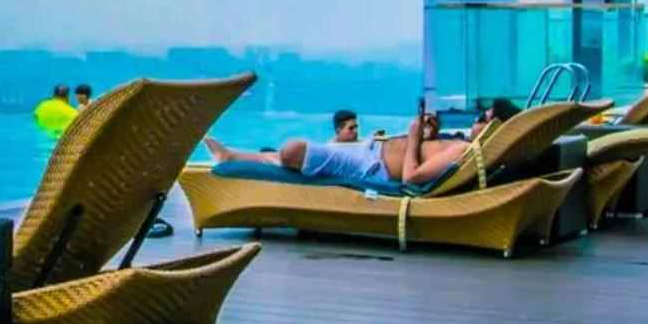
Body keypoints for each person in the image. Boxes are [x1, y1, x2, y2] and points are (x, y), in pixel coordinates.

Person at [204, 100, 514, 191]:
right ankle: (230, 154)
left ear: (493, 127)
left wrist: (415, 137)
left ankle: (232, 154)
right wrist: (431, 134)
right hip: (370, 151)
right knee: (289, 154)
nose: (475, 122)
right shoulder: (459, 143)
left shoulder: (463, 151)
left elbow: (410, 178)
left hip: (371, 168)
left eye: (481, 119)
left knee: (293, 150)